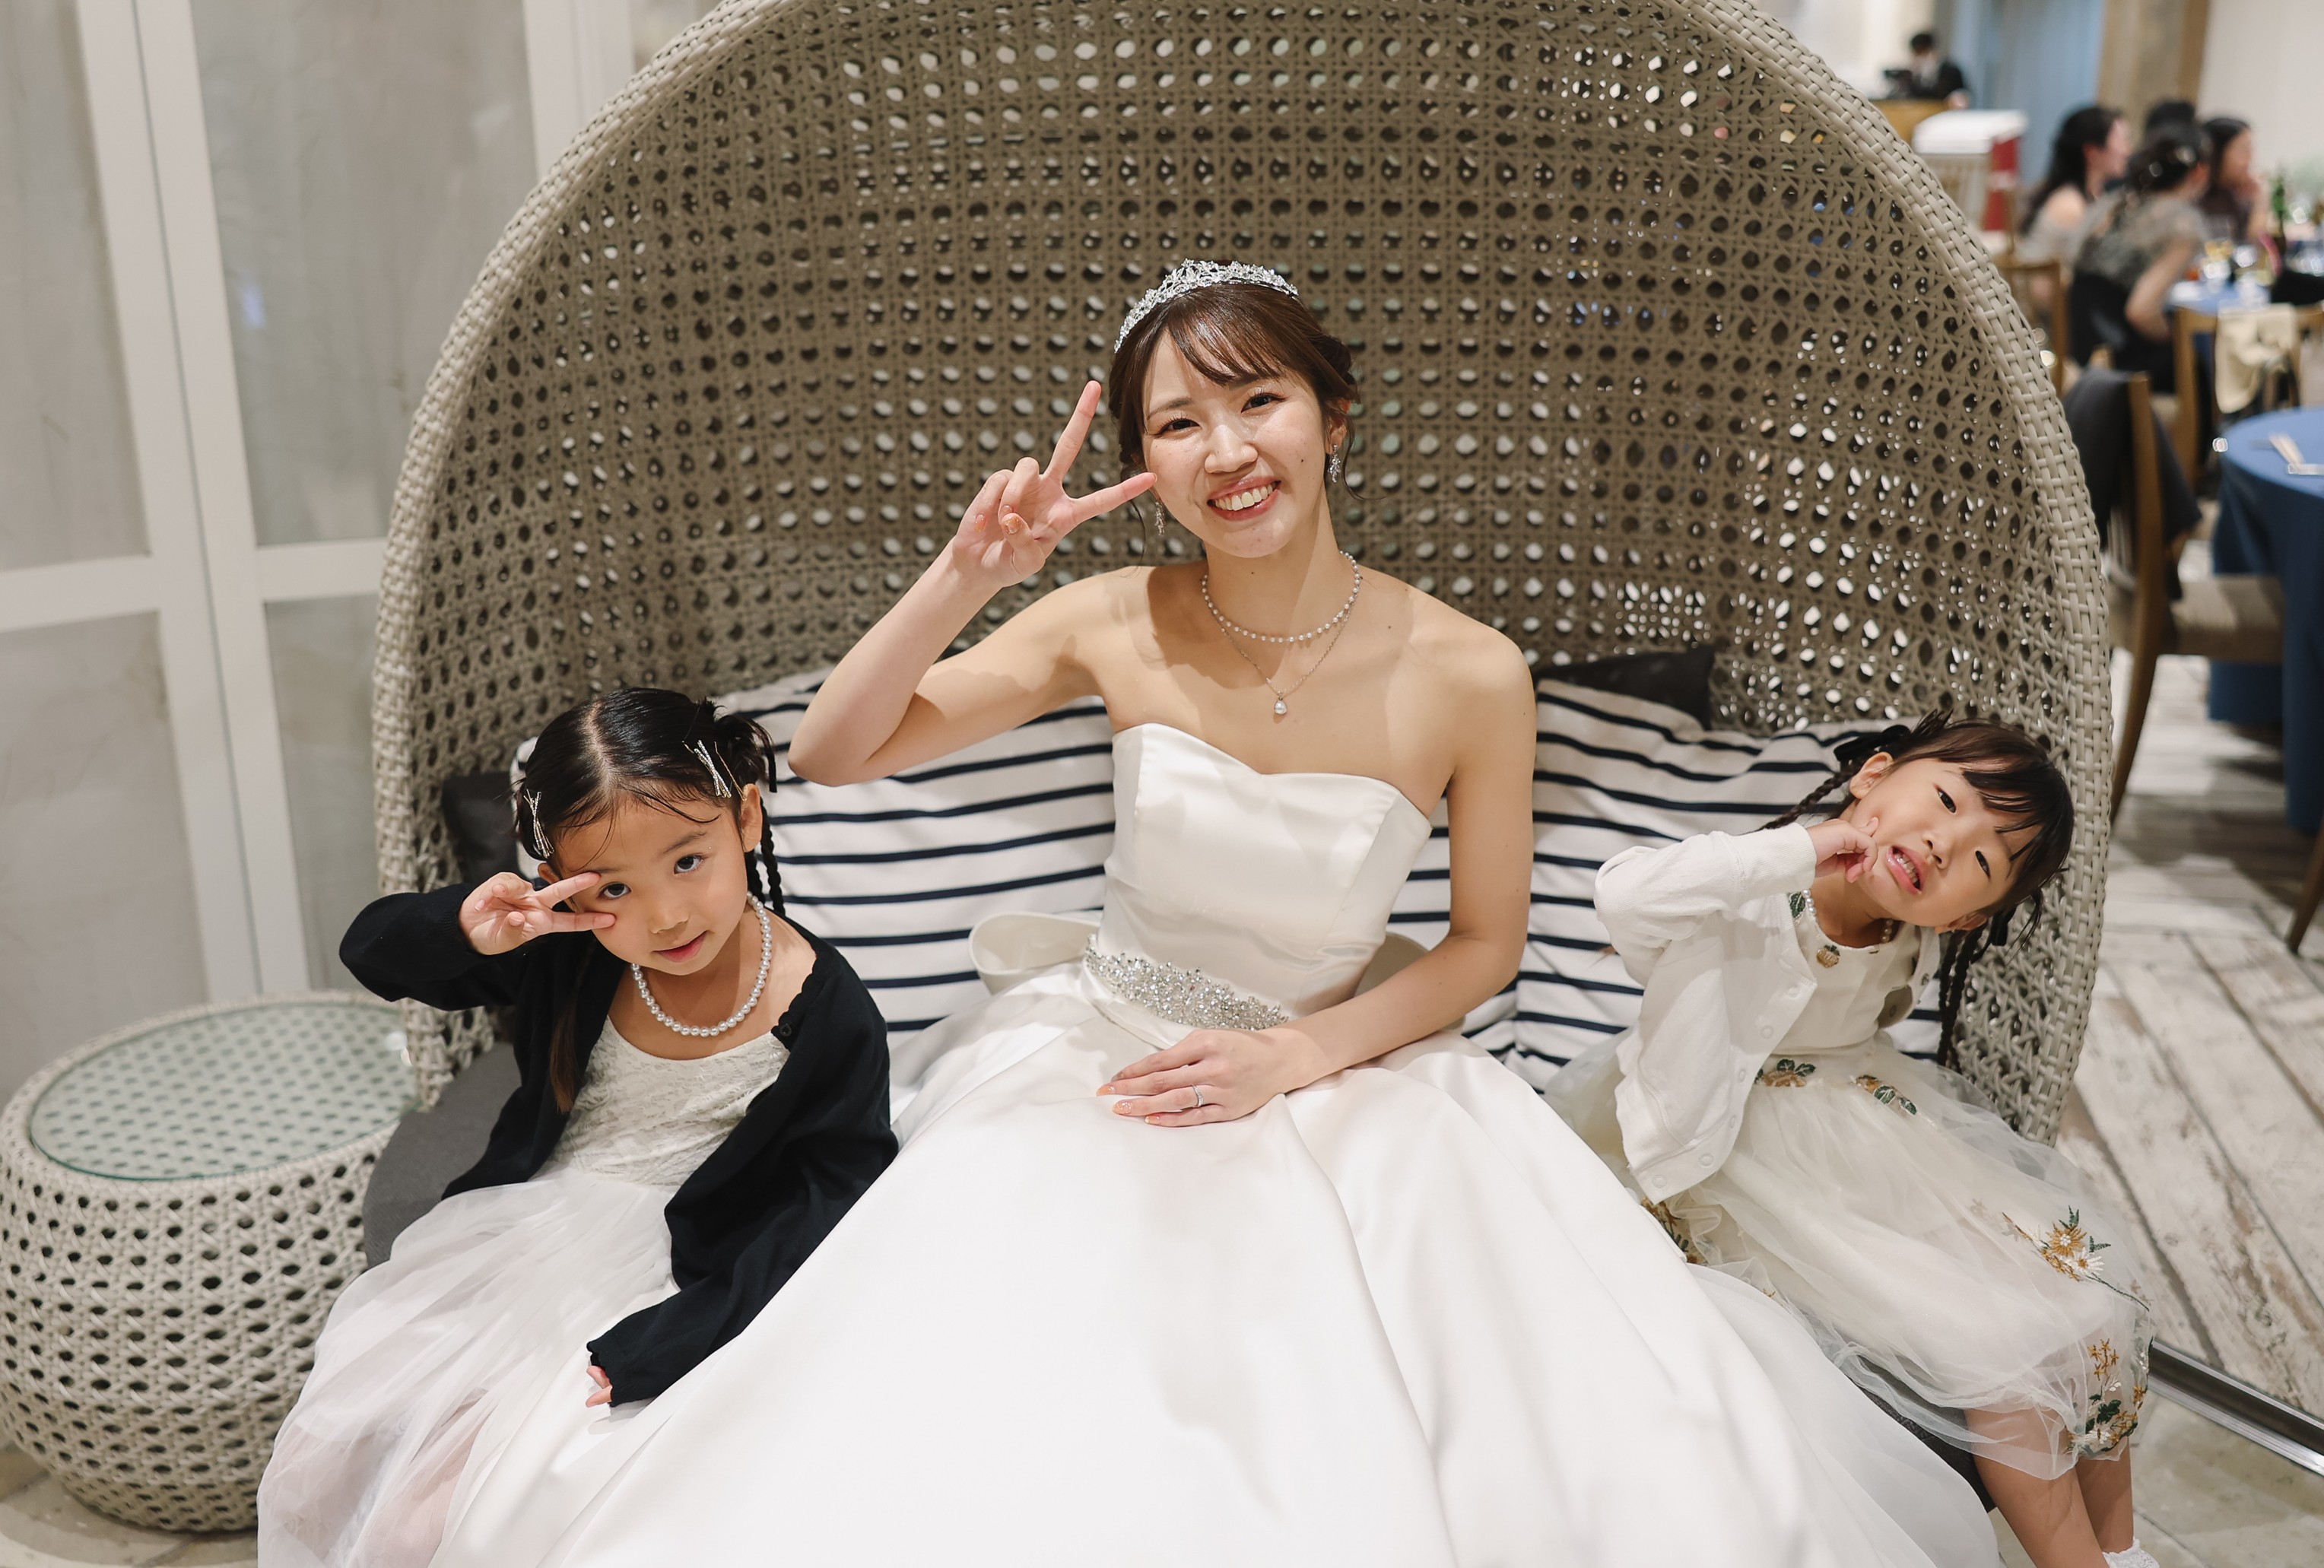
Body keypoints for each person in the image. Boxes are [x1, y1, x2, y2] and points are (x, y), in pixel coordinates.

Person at [424, 263, 2002, 1567]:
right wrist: (970, 572)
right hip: (1098, 1049)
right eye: (1179, 422)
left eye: (1258, 401)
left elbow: (1483, 948)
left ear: (1332, 415)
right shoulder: (1110, 616)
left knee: (1544, 1428)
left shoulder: (1470, 671)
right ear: (1146, 461)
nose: (1227, 449)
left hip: (1343, 1069)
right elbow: (835, 753)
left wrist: (1293, 1057)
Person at [256, 690, 896, 1568]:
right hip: (522, 1237)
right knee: (315, 1465)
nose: (665, 916)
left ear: (745, 817)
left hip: (679, 1268)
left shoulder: (825, 1008)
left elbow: (828, 1197)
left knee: (432, 1525)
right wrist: (470, 931)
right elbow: (370, 951)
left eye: (688, 860)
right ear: (560, 877)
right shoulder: (565, 946)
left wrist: (684, 1330)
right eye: (616, 887)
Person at [1547, 714, 2158, 1568]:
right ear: (1871, 776)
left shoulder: (1911, 934)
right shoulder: (1750, 888)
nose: (1943, 842)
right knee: (1996, 1347)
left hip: (1861, 1130)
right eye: (1943, 800)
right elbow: (1626, 895)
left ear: (1965, 917)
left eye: (1981, 862)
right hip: (1735, 1152)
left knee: (2089, 1293)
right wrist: (1800, 848)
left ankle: (2125, 1551)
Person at [2072, 121, 2211, 387]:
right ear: (2200, 171)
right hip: (2123, 367)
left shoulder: (2114, 202)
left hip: (2083, 348)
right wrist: (2179, 339)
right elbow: (2141, 312)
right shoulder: (2181, 224)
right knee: (2204, 364)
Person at [2018, 106, 2130, 268]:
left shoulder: (2092, 196)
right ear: (2092, 152)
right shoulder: (2070, 205)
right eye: (2121, 141)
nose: (2127, 151)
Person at [2199, 116, 2265, 244]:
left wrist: (2260, 201)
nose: (2250, 159)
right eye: (2243, 150)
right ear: (2216, 153)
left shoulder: (2239, 197)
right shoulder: (2195, 199)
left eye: (2251, 150)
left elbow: (2262, 249)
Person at [1888, 30, 1970, 109]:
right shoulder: (1913, 75)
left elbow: (1963, 95)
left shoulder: (1951, 71)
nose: (1920, 58)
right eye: (1917, 54)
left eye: (1922, 53)